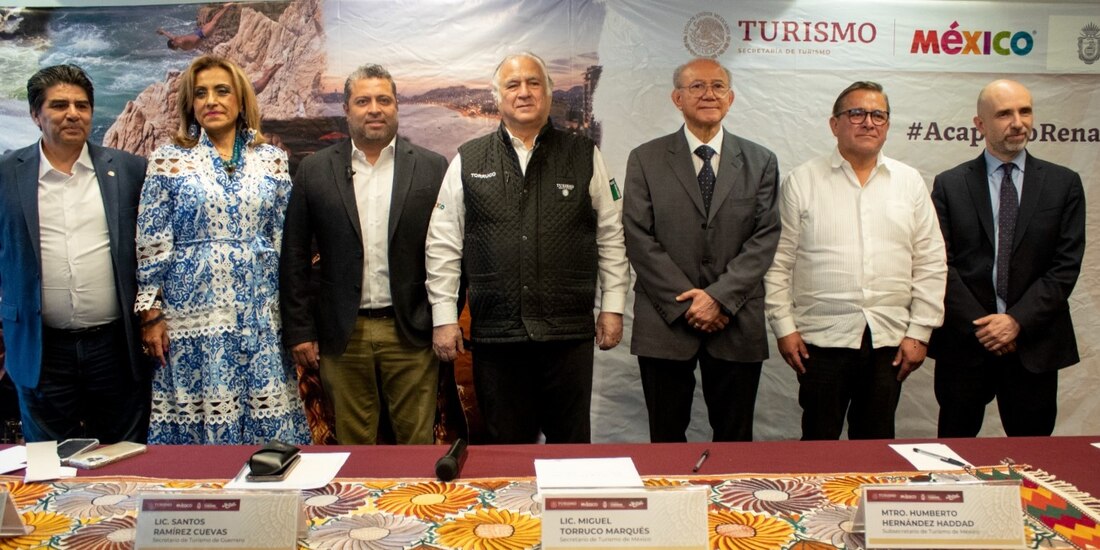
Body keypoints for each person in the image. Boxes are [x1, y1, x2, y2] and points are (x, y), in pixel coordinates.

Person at [425, 52, 630, 444]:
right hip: (496, 337)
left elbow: (610, 234)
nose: (524, 92)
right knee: (505, 451)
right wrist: (444, 316)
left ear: (550, 94)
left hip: (567, 335)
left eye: (534, 83)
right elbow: (443, 242)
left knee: (570, 449)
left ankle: (572, 508)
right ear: (497, 97)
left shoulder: (585, 155)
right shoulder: (468, 159)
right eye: (513, 85)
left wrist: (613, 306)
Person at [136, 55, 309, 444]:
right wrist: (151, 316)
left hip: (261, 318)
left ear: (241, 100)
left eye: (221, 91)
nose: (211, 100)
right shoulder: (168, 161)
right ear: (190, 104)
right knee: (199, 436)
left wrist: (293, 317)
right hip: (193, 321)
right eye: (200, 93)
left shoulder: (272, 160)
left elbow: (285, 241)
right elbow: (151, 243)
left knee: (269, 435)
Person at [764, 81, 947, 440]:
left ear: (888, 125)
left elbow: (930, 260)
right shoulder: (803, 181)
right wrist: (784, 327)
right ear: (835, 124)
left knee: (876, 445)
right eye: (857, 113)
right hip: (820, 341)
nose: (868, 122)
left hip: (889, 341)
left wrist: (921, 331)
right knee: (818, 442)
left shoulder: (908, 182)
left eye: (878, 114)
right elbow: (778, 262)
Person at [280, 64, 448, 445]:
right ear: (347, 109)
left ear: (396, 107)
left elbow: (452, 252)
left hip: (411, 333)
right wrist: (300, 331)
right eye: (363, 100)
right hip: (342, 335)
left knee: (416, 446)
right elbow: (294, 257)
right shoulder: (314, 171)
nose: (375, 108)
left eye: (384, 100)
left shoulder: (432, 167)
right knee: (355, 449)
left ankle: (417, 506)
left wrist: (443, 319)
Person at [622, 58, 779, 443]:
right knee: (665, 437)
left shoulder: (760, 161)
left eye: (718, 86)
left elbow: (765, 237)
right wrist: (690, 303)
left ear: (731, 98)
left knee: (735, 438)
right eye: (696, 86)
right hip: (666, 319)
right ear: (677, 97)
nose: (709, 94)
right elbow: (638, 235)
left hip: (735, 319)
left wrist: (719, 299)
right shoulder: (645, 158)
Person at [0, 64, 150, 442]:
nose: (72, 114)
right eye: (59, 105)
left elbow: (153, 253)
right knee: (50, 468)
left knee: (126, 459)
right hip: (40, 349)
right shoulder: (5, 174)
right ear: (36, 115)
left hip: (115, 349)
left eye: (82, 106)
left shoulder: (130, 171)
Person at [929, 79, 1085, 437]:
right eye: (1004, 114)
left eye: (1025, 111)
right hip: (967, 345)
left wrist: (1015, 321)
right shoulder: (950, 184)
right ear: (980, 124)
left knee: (1032, 459)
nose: (1018, 122)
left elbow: (1064, 267)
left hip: (1034, 343)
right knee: (955, 455)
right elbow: (940, 263)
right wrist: (986, 326)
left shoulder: (1064, 184)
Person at [157, 2, 234, 52]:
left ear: (173, 44)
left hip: (202, 35)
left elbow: (173, 38)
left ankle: (227, 6)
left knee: (215, 21)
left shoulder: (178, 42)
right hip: (199, 33)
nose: (174, 50)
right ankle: (224, 7)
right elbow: (173, 38)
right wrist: (163, 32)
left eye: (173, 48)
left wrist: (163, 32)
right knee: (213, 21)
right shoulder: (180, 44)